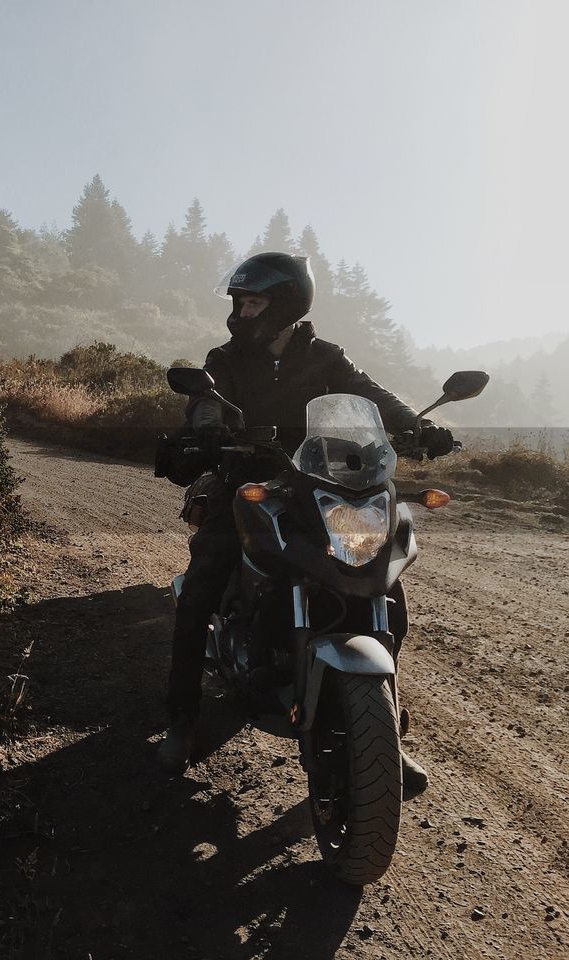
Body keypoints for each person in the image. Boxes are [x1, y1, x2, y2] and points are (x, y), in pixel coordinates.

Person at [156, 252, 453, 793]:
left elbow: (370, 394)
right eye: (240, 302)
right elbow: (204, 400)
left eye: (252, 302)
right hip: (248, 482)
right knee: (204, 580)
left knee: (382, 583)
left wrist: (418, 425)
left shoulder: (325, 357)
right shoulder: (224, 358)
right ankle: (182, 718)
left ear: (286, 304)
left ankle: (388, 732)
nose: (241, 312)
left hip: (319, 484)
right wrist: (206, 429)